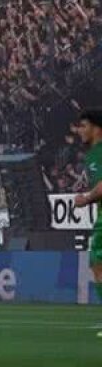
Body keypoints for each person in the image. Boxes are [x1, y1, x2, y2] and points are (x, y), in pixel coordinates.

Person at [72, 109, 102, 325]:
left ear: (96, 128)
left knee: (98, 265)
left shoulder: (99, 152)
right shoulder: (92, 154)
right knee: (96, 265)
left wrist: (87, 198)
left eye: (83, 126)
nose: (79, 130)